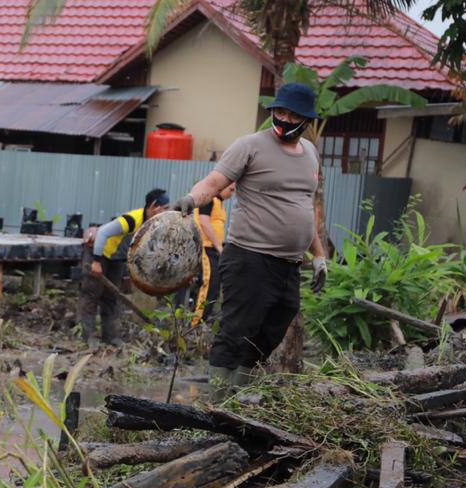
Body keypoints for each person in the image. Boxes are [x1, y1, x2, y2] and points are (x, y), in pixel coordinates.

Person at [170, 82, 328, 399]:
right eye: (279, 112)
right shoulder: (251, 145)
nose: (283, 118)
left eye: (291, 114)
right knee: (236, 330)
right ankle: (217, 403)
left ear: (305, 119)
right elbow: (215, 182)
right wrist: (191, 198)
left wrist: (319, 256)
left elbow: (306, 209)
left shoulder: (310, 153)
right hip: (249, 258)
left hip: (289, 265)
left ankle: (237, 397)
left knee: (272, 329)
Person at [80, 189, 169, 349]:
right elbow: (103, 233)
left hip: (116, 258)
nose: (166, 212)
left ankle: (110, 337)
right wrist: (96, 262)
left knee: (111, 297)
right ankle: (89, 338)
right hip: (99, 253)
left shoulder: (153, 225)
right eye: (165, 208)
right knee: (92, 294)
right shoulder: (131, 219)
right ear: (154, 206)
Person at [171, 182, 234, 319]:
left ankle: (203, 317)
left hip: (212, 248)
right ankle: (196, 320)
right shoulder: (209, 199)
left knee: (213, 284)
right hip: (206, 247)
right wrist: (219, 247)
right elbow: (204, 222)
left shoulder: (219, 203)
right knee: (207, 282)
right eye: (230, 189)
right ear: (222, 186)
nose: (232, 193)